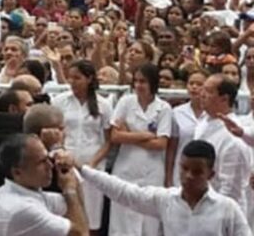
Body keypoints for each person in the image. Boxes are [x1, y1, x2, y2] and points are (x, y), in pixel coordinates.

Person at [70, 140, 249, 235]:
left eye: (197, 172)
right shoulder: (166, 200)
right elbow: (124, 192)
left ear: (211, 174)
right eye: (184, 169)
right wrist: (82, 169)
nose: (188, 176)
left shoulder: (227, 208)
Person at [107, 63, 172, 236]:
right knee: (121, 223)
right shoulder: (125, 102)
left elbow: (161, 144)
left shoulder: (164, 108)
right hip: (125, 169)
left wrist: (129, 134)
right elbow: (115, 136)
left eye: (143, 81)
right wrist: (145, 135)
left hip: (152, 172)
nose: (138, 85)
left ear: (153, 83)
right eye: (135, 81)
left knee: (149, 224)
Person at [51, 60, 112, 234]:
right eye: (70, 78)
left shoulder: (103, 105)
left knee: (92, 217)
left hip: (92, 167)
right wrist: (62, 154)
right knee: (66, 215)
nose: (72, 82)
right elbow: (55, 131)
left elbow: (109, 140)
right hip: (65, 165)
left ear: (89, 79)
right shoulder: (60, 101)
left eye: (77, 78)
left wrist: (92, 164)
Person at [0, 134, 88, 236]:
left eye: (48, 158)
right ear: (17, 172)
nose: (50, 165)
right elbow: (82, 233)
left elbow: (75, 206)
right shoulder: (22, 209)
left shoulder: (17, 190)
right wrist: (69, 190)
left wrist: (68, 167)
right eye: (42, 162)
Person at [192, 74, 252, 213]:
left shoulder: (232, 137)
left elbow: (230, 189)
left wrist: (213, 214)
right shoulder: (204, 121)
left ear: (224, 98)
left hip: (223, 212)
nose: (202, 94)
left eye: (208, 91)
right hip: (199, 202)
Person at [167, 69, 206, 186]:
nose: (194, 87)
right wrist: (168, 178)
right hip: (181, 171)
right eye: (191, 83)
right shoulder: (176, 112)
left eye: (199, 84)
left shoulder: (213, 114)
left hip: (205, 172)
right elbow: (172, 148)